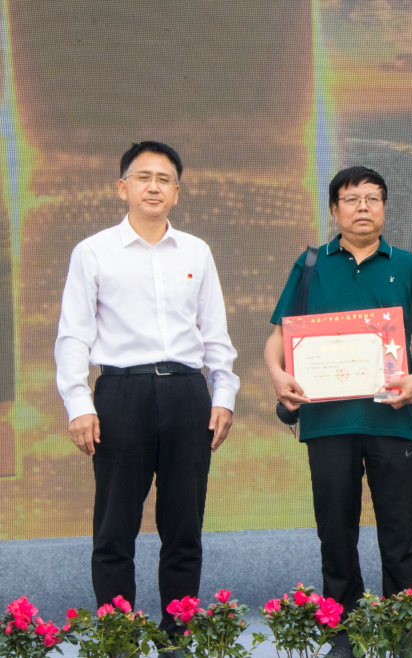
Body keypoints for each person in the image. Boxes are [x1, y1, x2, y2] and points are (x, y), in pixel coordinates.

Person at [264, 166, 412, 658]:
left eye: (373, 198)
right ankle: (344, 633)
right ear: (334, 209)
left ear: (384, 207)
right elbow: (280, 335)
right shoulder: (310, 264)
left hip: (392, 418)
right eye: (351, 199)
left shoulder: (406, 265)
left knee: (402, 530)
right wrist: (277, 373)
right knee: (335, 531)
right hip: (327, 423)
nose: (362, 207)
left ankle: (406, 634)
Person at [54, 141, 239, 637]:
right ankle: (119, 637)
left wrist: (223, 396)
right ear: (123, 187)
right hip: (122, 393)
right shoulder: (93, 251)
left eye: (164, 179)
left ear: (176, 192)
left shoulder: (196, 251)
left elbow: (215, 335)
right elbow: (73, 336)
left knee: (184, 528)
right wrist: (78, 403)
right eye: (143, 177)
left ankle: (177, 637)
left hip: (187, 393)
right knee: (115, 528)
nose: (153, 187)